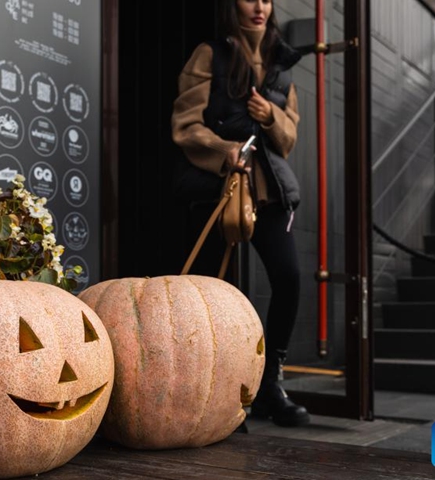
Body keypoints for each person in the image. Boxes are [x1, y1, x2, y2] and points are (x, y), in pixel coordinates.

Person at [171, 0, 309, 427]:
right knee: (213, 291)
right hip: (220, 186)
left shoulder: (282, 64)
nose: (259, 7)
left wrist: (271, 117)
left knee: (288, 278)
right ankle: (217, 397)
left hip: (267, 190)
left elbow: (287, 140)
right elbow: (185, 123)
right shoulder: (210, 54)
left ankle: (270, 386)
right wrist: (223, 148)